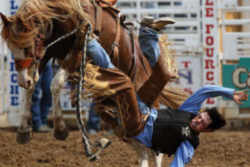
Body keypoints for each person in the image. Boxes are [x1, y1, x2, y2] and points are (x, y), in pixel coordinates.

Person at [85, 16, 248, 166]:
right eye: (200, 117)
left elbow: (177, 164)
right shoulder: (189, 111)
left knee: (124, 83)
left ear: (207, 131)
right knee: (163, 73)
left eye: (202, 123)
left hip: (137, 127)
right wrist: (230, 93)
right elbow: (205, 91)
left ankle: (90, 43)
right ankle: (148, 32)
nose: (198, 120)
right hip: (146, 109)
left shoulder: (189, 143)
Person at [31, 60, 53, 132]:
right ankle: (37, 123)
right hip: (34, 62)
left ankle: (43, 121)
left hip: (47, 61)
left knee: (49, 91)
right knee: (35, 94)